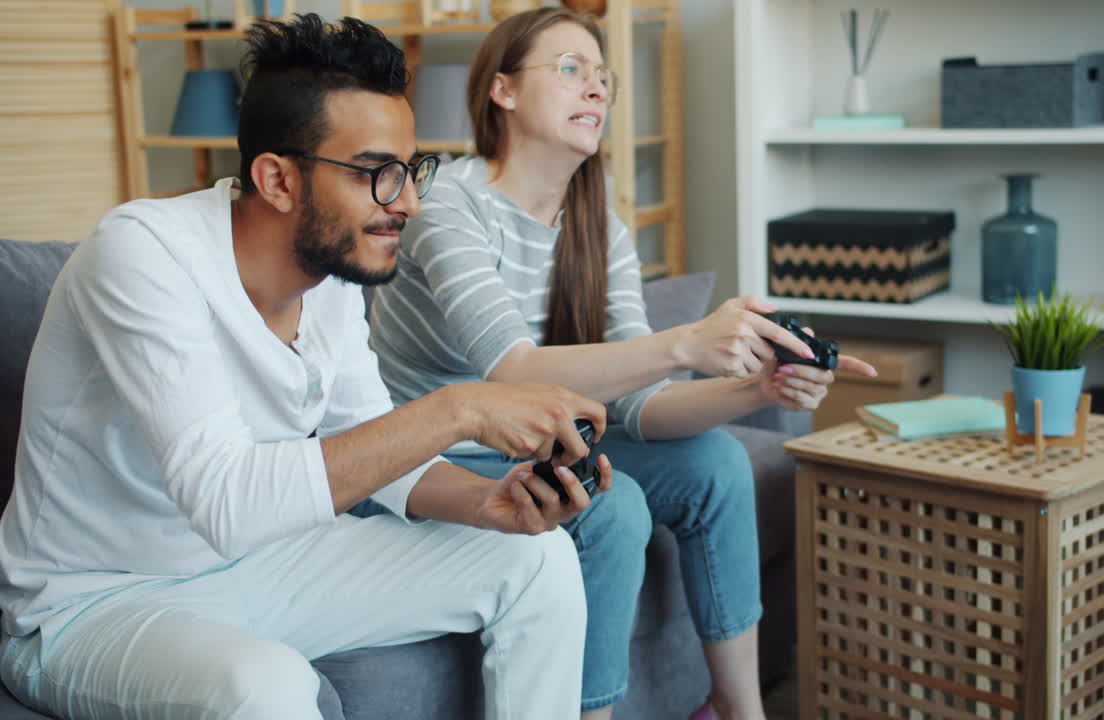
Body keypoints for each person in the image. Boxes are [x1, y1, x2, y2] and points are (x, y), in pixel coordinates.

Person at [0, 14, 614, 720]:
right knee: (267, 685)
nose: (409, 201)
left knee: (537, 560)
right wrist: (462, 408)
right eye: (377, 174)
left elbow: (379, 444)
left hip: (269, 563)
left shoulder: (332, 280)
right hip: (93, 603)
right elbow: (226, 501)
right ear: (277, 179)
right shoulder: (141, 255)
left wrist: (484, 502)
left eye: (411, 170)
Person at [367, 8, 877, 720]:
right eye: (571, 70)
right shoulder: (450, 202)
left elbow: (642, 404)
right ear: (503, 90)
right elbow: (511, 371)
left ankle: (740, 711)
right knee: (613, 506)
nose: (598, 89)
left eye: (603, 77)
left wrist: (755, 386)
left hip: (538, 437)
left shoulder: (597, 221)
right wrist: (687, 341)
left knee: (717, 466)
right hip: (439, 453)